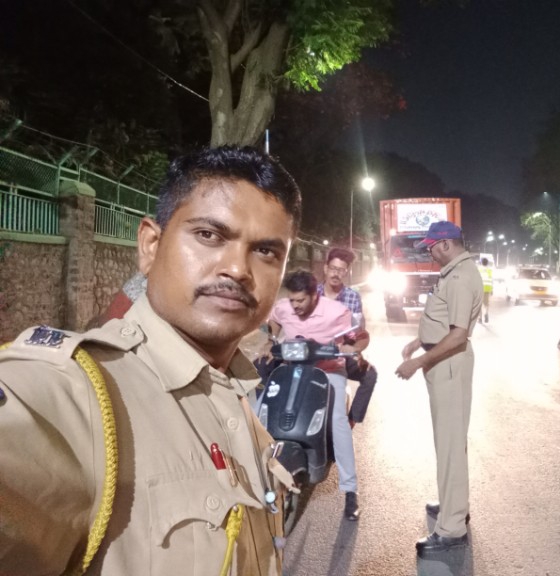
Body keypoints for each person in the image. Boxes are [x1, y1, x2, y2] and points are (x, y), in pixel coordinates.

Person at [0, 146, 302, 575]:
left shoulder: (234, 390)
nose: (238, 269)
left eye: (267, 251)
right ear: (150, 245)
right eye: (209, 235)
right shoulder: (75, 391)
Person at [394, 220, 483, 555]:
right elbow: (443, 321)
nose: (429, 254)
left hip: (448, 365)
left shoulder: (460, 278)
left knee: (450, 444)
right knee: (449, 442)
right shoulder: (453, 274)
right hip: (442, 362)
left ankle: (451, 528)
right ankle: (453, 505)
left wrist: (418, 362)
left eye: (431, 248)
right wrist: (419, 341)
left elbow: (458, 335)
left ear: (445, 244)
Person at [267, 270, 364, 521]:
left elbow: (360, 337)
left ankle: (350, 490)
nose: (295, 306)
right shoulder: (284, 307)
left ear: (314, 296)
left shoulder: (337, 312)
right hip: (293, 368)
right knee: (262, 412)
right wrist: (270, 340)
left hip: (329, 371)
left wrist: (351, 348)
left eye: (300, 300)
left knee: (338, 421)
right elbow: (274, 320)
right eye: (292, 300)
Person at [317, 247, 377, 427]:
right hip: (312, 353)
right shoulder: (311, 293)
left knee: (370, 375)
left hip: (339, 354)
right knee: (267, 365)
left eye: (341, 270)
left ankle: (351, 421)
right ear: (326, 268)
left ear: (346, 272)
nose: (336, 274)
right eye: (333, 268)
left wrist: (356, 350)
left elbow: (358, 330)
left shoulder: (352, 297)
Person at [478, 256, 494, 324]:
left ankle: (480, 319)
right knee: (486, 304)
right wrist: (492, 290)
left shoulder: (479, 270)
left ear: (481, 263)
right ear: (487, 263)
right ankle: (486, 314)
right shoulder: (490, 270)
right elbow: (491, 281)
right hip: (487, 289)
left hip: (480, 289)